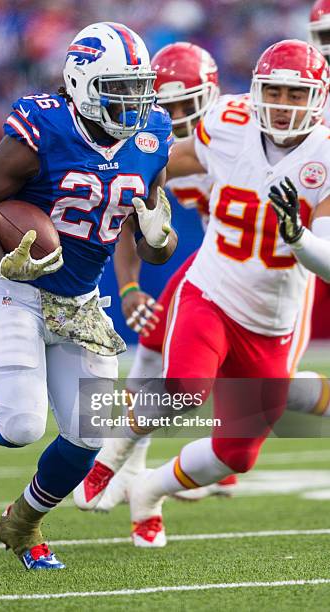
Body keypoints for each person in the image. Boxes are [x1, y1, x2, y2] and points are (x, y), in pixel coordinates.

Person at [0, 22, 177, 568]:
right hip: (17, 292)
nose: (135, 102)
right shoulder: (45, 128)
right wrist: (0, 260)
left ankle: (25, 520)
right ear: (82, 84)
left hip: (83, 304)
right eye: (119, 88)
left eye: (139, 87)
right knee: (19, 426)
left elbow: (152, 238)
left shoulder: (152, 135)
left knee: (91, 434)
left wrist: (159, 238)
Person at [76, 38, 330, 547]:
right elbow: (151, 169)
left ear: (318, 99)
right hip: (211, 285)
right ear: (255, 93)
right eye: (274, 92)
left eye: (295, 95)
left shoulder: (324, 157)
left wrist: (299, 238)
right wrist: (106, 179)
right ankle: (110, 454)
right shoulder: (229, 125)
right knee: (181, 383)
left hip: (273, 314)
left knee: (238, 453)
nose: (283, 106)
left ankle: (149, 488)